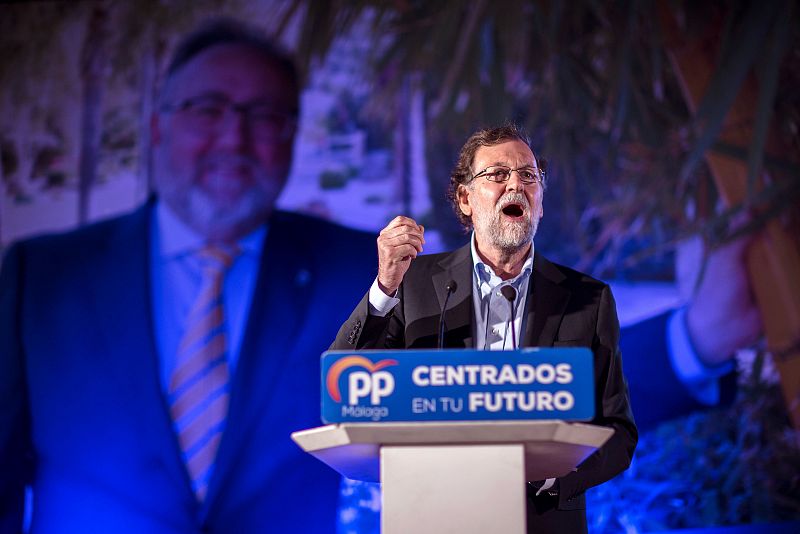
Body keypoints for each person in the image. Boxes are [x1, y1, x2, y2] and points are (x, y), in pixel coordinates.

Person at [0, 19, 376, 533]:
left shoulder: (363, 271)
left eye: (265, 116)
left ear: (291, 137)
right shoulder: (44, 277)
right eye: (208, 108)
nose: (234, 138)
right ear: (158, 127)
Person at [332, 124, 638, 533]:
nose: (516, 185)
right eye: (497, 175)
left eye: (528, 176)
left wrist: (555, 479)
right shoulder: (412, 281)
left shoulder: (588, 299)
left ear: (541, 201)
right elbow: (345, 379)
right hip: (431, 516)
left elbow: (618, 431)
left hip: (542, 518)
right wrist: (385, 285)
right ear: (465, 199)